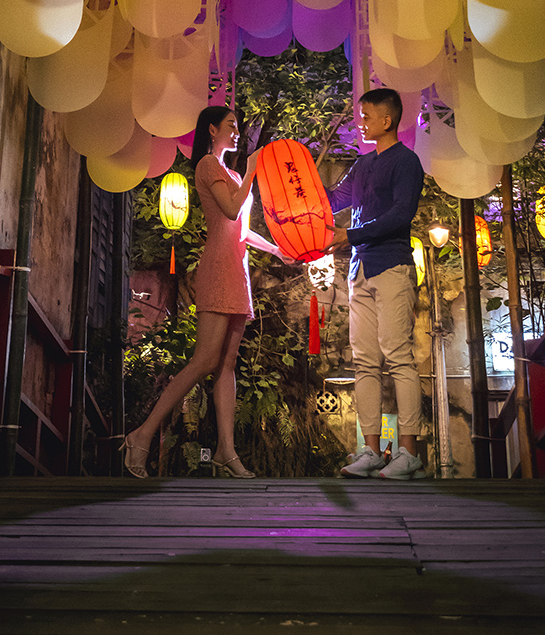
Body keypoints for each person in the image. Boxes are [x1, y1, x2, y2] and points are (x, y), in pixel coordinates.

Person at [122, 105, 289, 479]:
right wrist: (252, 170)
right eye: (231, 125)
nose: (237, 131)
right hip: (217, 268)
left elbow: (242, 229)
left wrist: (278, 250)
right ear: (212, 130)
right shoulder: (207, 166)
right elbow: (229, 211)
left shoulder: (232, 173)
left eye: (237, 126)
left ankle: (226, 451)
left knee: (227, 364)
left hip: (237, 269)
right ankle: (142, 434)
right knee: (204, 361)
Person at [325, 87, 427, 480]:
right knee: (364, 360)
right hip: (360, 270)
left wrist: (351, 235)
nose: (360, 122)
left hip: (391, 267)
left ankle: (409, 452)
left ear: (387, 120)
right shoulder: (362, 164)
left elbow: (401, 214)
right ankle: (370, 450)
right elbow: (334, 199)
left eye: (366, 116)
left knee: (398, 356)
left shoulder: (406, 161)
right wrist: (290, 186)